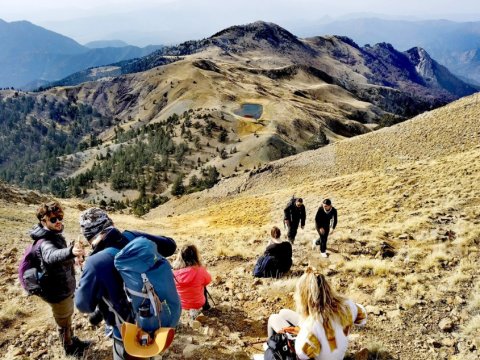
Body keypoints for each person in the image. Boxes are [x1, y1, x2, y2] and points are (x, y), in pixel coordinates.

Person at [30, 201, 91, 357]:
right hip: (57, 292)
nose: (58, 222)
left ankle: (71, 340)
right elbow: (51, 256)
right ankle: (69, 348)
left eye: (60, 218)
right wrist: (71, 251)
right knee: (63, 321)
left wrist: (72, 259)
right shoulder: (45, 242)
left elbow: (59, 261)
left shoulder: (53, 234)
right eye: (53, 219)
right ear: (43, 221)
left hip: (63, 287)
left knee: (67, 318)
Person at [267, 267, 367, 360]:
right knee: (283, 313)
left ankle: (271, 350)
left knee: (273, 318)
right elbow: (363, 318)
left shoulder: (311, 325)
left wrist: (300, 335)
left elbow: (303, 355)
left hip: (312, 353)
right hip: (336, 353)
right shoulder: (347, 305)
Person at [173, 244, 212, 320]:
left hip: (181, 304)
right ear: (195, 256)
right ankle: (206, 306)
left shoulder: (174, 272)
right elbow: (208, 280)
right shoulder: (200, 270)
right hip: (198, 303)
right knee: (202, 284)